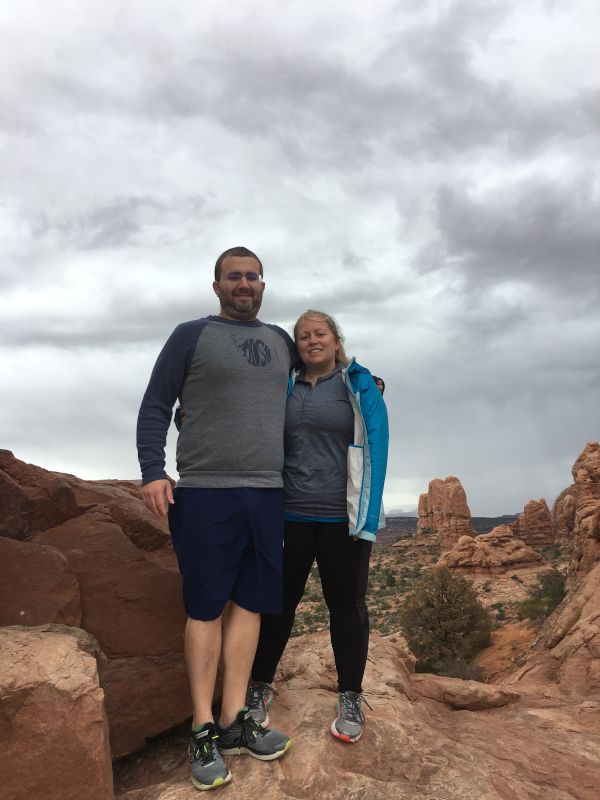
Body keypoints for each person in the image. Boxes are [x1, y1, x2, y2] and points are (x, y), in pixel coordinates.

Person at [137, 246, 293, 792]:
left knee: (250, 605)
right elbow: (156, 404)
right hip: (206, 492)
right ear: (217, 285)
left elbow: (325, 369)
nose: (244, 284)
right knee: (205, 608)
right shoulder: (191, 336)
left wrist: (367, 382)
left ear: (263, 285)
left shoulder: (281, 341)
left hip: (267, 492)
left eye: (252, 276)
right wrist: (152, 470)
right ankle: (202, 729)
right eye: (234, 276)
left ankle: (233, 720)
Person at [246, 310, 388, 743]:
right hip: (289, 514)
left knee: (346, 608)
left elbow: (378, 448)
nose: (312, 341)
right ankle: (259, 687)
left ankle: (350, 696)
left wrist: (366, 518)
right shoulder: (284, 385)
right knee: (277, 604)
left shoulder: (358, 385)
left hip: (341, 517)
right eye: (304, 336)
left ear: (335, 340)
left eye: (320, 333)